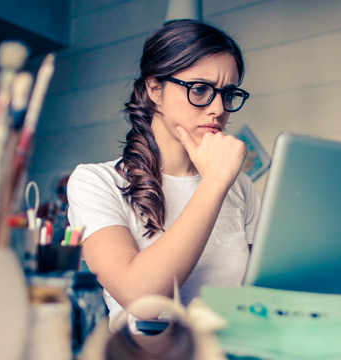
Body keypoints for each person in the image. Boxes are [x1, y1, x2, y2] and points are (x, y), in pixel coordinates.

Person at [67, 19, 260, 332]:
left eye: (227, 94)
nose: (217, 109)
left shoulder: (240, 187)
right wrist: (213, 183)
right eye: (199, 90)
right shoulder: (95, 182)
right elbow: (142, 299)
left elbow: (259, 297)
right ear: (154, 88)